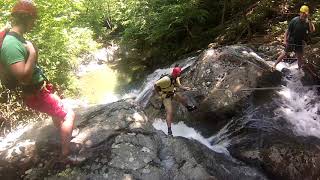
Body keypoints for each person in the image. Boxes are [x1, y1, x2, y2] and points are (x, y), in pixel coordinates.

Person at [0, 0, 76, 161]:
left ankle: (64, 133)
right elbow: (24, 76)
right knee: (69, 114)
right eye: (33, 19)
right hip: (34, 93)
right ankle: (65, 154)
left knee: (57, 111)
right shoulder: (11, 44)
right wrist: (33, 53)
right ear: (26, 18)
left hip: (38, 91)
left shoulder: (17, 38)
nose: (34, 23)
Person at [154, 66, 197, 136]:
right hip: (166, 96)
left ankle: (189, 108)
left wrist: (185, 88)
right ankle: (169, 131)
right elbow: (155, 85)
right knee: (170, 112)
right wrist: (159, 94)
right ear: (175, 73)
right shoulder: (166, 79)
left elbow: (178, 86)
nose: (180, 74)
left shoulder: (175, 78)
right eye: (179, 73)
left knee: (182, 99)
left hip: (172, 93)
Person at [272, 5, 315, 71]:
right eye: (302, 13)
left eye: (305, 13)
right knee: (284, 53)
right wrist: (285, 40)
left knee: (299, 57)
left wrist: (310, 21)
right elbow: (287, 31)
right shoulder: (294, 20)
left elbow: (312, 31)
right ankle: (274, 65)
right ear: (300, 12)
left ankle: (299, 69)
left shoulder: (308, 22)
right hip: (291, 40)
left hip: (300, 42)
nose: (304, 15)